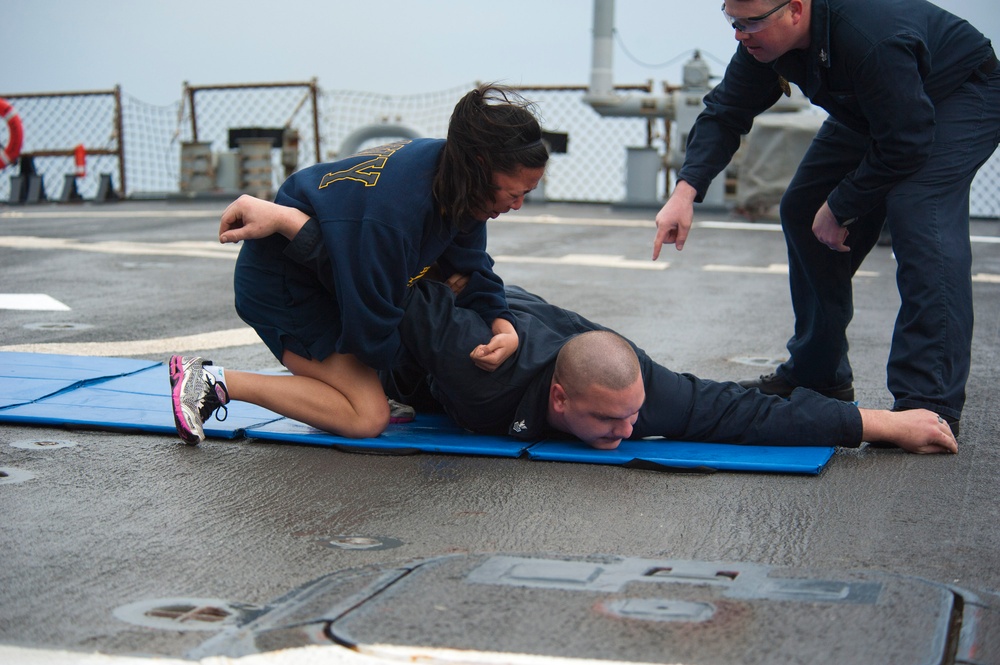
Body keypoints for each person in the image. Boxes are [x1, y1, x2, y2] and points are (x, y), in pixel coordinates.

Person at [249, 211, 957, 454]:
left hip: (504, 317)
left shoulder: (641, 393)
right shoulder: (479, 360)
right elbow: (384, 291)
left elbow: (744, 412)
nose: (629, 429)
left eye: (632, 416)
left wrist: (879, 425)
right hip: (386, 303)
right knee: (369, 400)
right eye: (610, 422)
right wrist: (295, 233)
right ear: (558, 401)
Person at [651, 0, 1000, 436]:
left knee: (918, 210)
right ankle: (819, 375)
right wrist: (685, 191)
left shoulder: (871, 38)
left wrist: (841, 206)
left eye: (751, 23)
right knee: (801, 208)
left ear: (796, 10)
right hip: (879, 106)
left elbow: (907, 140)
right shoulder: (765, 42)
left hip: (956, 92)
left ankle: (928, 403)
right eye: (732, 20)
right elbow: (726, 111)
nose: (739, 35)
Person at [169, 83, 549, 445]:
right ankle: (211, 380)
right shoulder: (398, 211)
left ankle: (356, 385)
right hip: (285, 286)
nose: (517, 205)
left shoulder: (456, 179)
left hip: (330, 275)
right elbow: (371, 323)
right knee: (366, 416)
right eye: (514, 193)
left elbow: (470, 270)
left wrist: (504, 325)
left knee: (386, 364)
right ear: (481, 165)